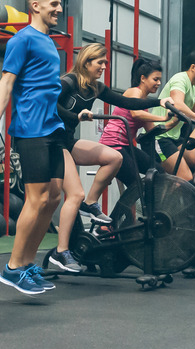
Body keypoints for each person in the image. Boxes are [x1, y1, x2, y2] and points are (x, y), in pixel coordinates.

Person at [0, 0, 70, 294]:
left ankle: (28, 264)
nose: (58, 9)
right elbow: (6, 82)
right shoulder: (22, 39)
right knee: (37, 198)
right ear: (36, 7)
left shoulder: (48, 41)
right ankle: (12, 267)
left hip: (53, 127)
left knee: (54, 196)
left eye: (59, 4)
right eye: (53, 4)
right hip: (32, 128)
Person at [57, 45, 173, 224]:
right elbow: (49, 105)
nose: (104, 67)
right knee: (49, 199)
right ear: (86, 62)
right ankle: (117, 224)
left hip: (69, 142)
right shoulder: (69, 82)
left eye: (106, 63)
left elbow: (126, 102)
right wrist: (75, 116)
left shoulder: (96, 88)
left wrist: (161, 103)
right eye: (100, 62)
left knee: (116, 160)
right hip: (53, 142)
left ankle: (91, 204)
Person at [98, 57, 176, 189]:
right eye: (155, 79)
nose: (158, 83)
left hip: (125, 145)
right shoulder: (135, 91)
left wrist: (174, 120)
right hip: (113, 143)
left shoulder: (143, 101)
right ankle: (123, 209)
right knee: (135, 185)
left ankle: (146, 209)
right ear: (143, 78)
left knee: (159, 173)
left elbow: (153, 130)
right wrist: (162, 118)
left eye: (160, 80)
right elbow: (136, 113)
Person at [150, 51, 195, 181]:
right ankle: (168, 201)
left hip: (174, 139)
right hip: (159, 138)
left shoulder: (192, 87)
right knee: (185, 177)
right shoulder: (180, 79)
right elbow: (178, 105)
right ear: (193, 67)